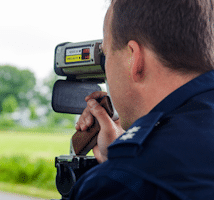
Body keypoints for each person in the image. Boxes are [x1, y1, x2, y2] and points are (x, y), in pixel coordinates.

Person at [70, 0, 214, 199]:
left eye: (105, 54)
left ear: (134, 58)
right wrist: (118, 155)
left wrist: (120, 168)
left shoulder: (122, 183)